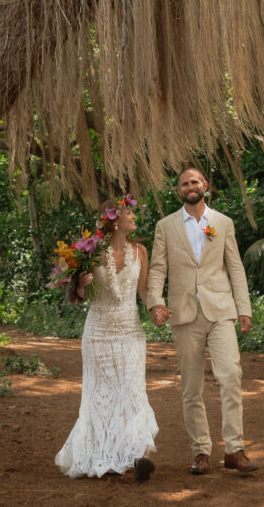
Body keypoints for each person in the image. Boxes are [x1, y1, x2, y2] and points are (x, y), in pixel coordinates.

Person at [146, 166, 259, 477]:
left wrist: (243, 308)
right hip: (183, 315)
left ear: (205, 185)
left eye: (194, 181)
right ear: (179, 191)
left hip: (220, 310)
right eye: (184, 183)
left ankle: (235, 449)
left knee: (231, 374)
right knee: (191, 387)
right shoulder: (165, 226)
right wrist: (155, 302)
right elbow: (157, 269)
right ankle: (200, 452)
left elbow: (235, 267)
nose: (189, 186)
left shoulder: (222, 222)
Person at [55, 196, 158, 482]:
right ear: (113, 221)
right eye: (128, 212)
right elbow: (77, 296)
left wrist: (157, 309)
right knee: (102, 396)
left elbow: (144, 291)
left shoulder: (140, 251)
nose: (134, 216)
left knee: (134, 391)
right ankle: (107, 453)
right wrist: (82, 286)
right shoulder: (89, 253)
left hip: (130, 329)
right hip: (98, 333)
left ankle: (141, 455)